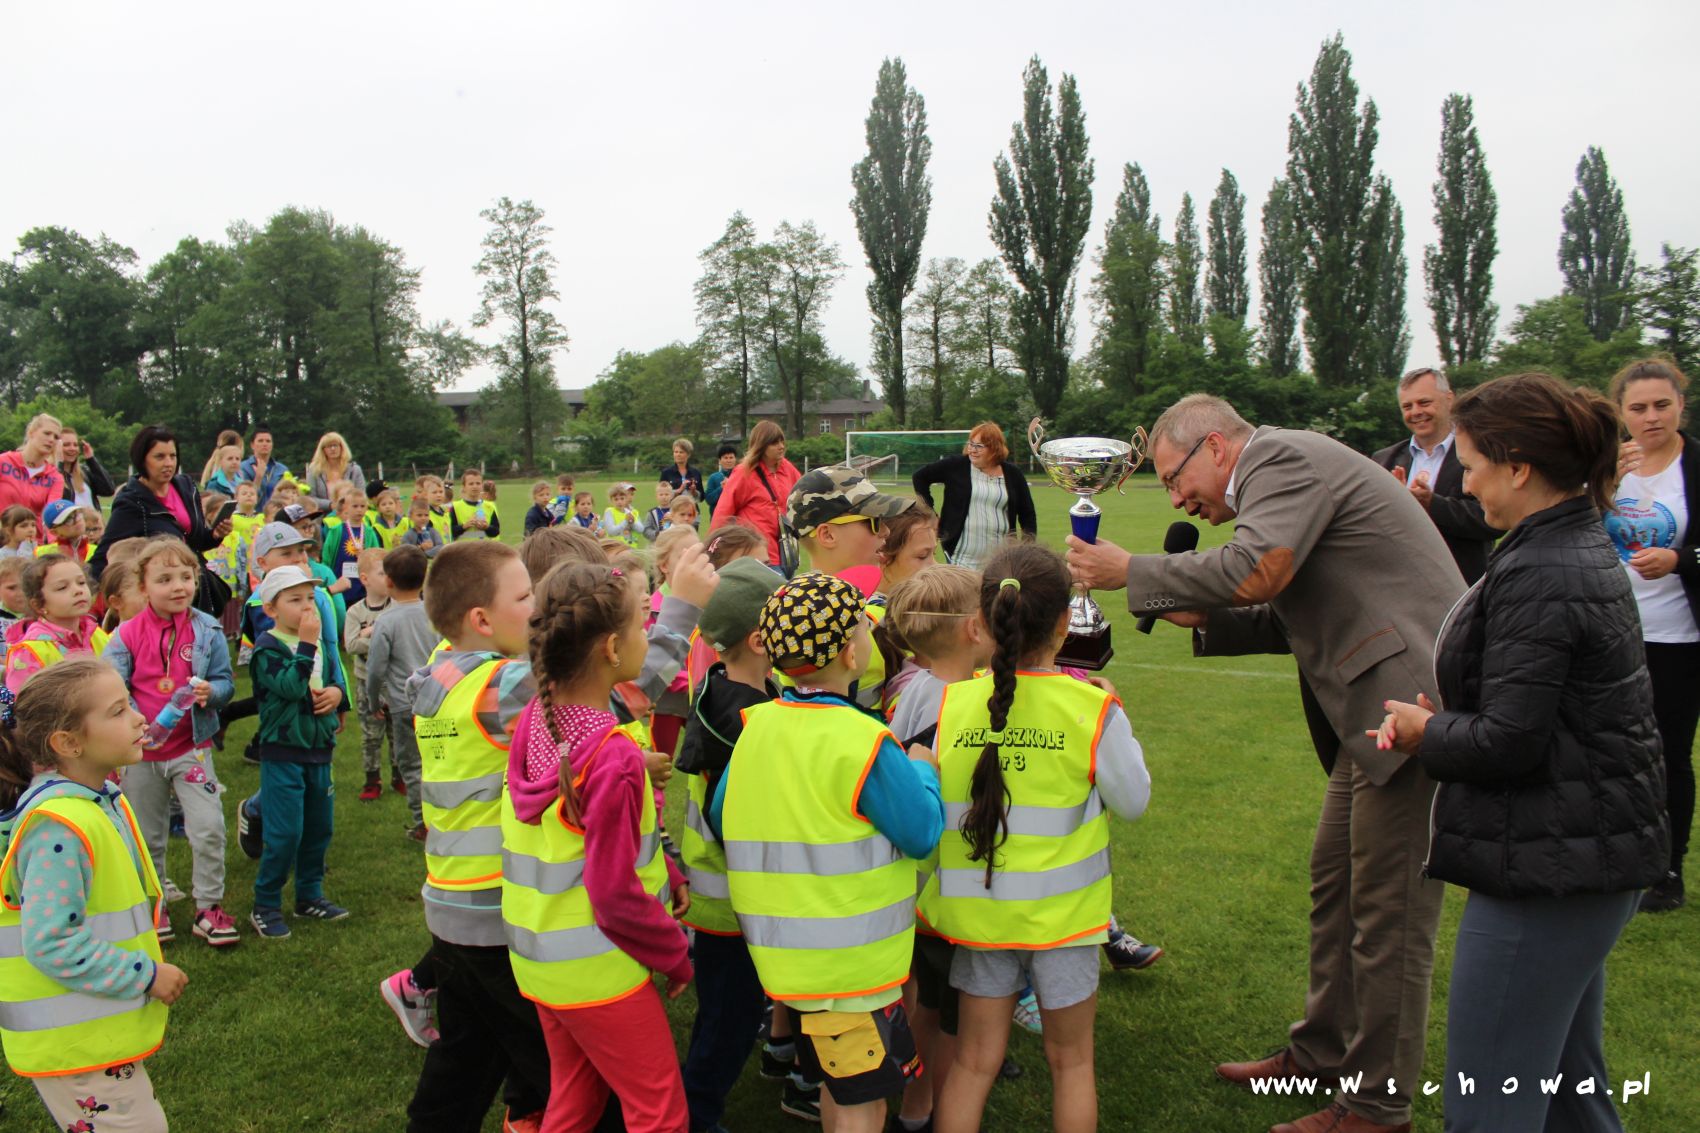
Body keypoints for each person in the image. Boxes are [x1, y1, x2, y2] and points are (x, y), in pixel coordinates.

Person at [1065, 393, 1460, 1133]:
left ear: (1216, 447)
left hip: (1407, 713)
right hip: (1372, 715)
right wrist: (1192, 609)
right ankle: (1322, 1054)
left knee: (1390, 917)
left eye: (1175, 478)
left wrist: (1134, 570)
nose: (1175, 498)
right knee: (1338, 886)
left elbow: (1261, 570)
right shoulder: (1284, 469)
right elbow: (1283, 609)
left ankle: (1376, 1109)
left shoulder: (1279, 458)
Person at [1373, 372, 1668, 1133]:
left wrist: (1427, 731)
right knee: (1571, 1097)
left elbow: (1510, 741)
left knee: (1489, 1105)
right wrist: (1457, 709)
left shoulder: (1545, 567)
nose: (1465, 484)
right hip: (1580, 854)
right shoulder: (1565, 544)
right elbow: (1545, 706)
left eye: (1472, 466)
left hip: (1550, 867)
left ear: (1519, 468)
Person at [922, 545, 1150, 1133]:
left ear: (983, 622)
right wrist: (1113, 716)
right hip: (1063, 922)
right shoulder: (1091, 709)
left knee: (973, 1063)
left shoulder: (953, 704)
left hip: (982, 918)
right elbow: (1134, 801)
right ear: (1065, 623)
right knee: (1072, 1064)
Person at [715, 571, 944, 1133]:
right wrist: (923, 769)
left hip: (787, 958)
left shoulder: (756, 727)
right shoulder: (863, 740)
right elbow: (921, 831)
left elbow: (723, 816)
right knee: (864, 1105)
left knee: (839, 1088)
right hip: (851, 966)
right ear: (850, 654)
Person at [502, 560, 695, 1133]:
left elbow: (585, 840)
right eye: (642, 627)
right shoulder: (612, 756)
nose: (647, 637)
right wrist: (674, 953)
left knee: (576, 1098)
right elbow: (612, 894)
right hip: (597, 968)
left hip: (540, 958)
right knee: (660, 1113)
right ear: (612, 648)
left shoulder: (537, 718)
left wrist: (668, 874)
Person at [397, 540, 550, 1133]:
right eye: (526, 596)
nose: (537, 607)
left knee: (464, 1058)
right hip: (497, 909)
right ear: (482, 620)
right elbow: (598, 696)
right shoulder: (501, 686)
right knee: (558, 1063)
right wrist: (679, 613)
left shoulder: (442, 670)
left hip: (450, 903)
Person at [0, 659, 187, 1130]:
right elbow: (50, 942)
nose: (140, 718)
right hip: (72, 1045)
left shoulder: (96, 800)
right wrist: (145, 975)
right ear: (68, 743)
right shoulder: (59, 827)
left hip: (89, 1036)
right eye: (118, 711)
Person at [674, 556, 785, 1133]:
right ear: (762, 641)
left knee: (728, 1012)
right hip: (730, 903)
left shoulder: (733, 687)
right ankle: (696, 1113)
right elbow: (732, 815)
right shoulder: (743, 715)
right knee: (729, 1022)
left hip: (732, 898)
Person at [881, 563, 991, 1131]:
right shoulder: (966, 702)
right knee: (953, 1018)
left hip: (916, 883)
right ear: (975, 628)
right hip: (951, 887)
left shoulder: (913, 690)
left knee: (924, 1002)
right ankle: (940, 1110)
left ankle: (914, 1106)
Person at [104, 539, 238, 947]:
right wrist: (135, 721)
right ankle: (155, 902)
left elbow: (225, 682)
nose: (178, 586)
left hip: (191, 750)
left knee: (209, 827)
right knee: (147, 835)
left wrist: (212, 693)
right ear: (143, 587)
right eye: (164, 579)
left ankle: (208, 907)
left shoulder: (208, 629)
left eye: (186, 577)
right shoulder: (125, 635)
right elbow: (113, 688)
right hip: (140, 754)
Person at [1606, 357, 1699, 913]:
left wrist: (1680, 559)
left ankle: (1668, 869)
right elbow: (1573, 525)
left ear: (1681, 405)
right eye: (1638, 407)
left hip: (1679, 639)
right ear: (1622, 413)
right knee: (1612, 751)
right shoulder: (1612, 467)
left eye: (1662, 404)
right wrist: (1601, 483)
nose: (1651, 417)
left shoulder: (1694, 465)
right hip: (1613, 632)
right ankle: (1618, 856)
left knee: (1668, 753)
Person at [247, 564, 350, 939]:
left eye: (310, 598)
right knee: (285, 834)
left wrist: (337, 694)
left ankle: (309, 895)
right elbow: (291, 687)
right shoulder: (268, 648)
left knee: (319, 829)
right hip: (283, 752)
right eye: (295, 600)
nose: (307, 607)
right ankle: (265, 904)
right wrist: (306, 644)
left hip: (319, 748)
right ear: (271, 609)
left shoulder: (319, 643)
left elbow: (334, 678)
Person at [785, 466, 916, 711]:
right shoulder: (817, 624)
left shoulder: (791, 613)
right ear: (827, 535)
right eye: (874, 522)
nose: (886, 531)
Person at [1369, 367, 1502, 584]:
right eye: (1407, 406)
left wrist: (1432, 505)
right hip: (1401, 586)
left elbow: (1492, 522)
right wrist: (1392, 505)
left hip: (1460, 586)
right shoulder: (1384, 459)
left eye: (1424, 402)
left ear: (1449, 400)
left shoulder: (1480, 452)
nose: (1416, 412)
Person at [91, 425, 232, 579]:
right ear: (142, 459)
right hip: (159, 585)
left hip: (194, 581)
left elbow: (197, 542)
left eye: (173, 456)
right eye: (160, 457)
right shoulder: (131, 503)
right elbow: (103, 557)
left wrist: (215, 535)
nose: (168, 463)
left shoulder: (186, 487)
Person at [366, 545, 433, 839]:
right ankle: (443, 816)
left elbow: (375, 669)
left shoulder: (386, 620)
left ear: (389, 582)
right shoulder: (434, 613)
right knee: (437, 761)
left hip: (404, 704)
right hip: (437, 700)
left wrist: (373, 700)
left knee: (412, 765)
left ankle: (423, 824)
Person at [911, 422, 1038, 570]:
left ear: (994, 448)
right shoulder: (956, 466)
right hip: (961, 556)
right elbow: (919, 477)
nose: (972, 450)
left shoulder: (1013, 474)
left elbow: (1027, 514)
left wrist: (1027, 547)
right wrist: (930, 514)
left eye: (979, 446)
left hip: (1001, 558)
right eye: (971, 444)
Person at [5, 555, 108, 694]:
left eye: (81, 582)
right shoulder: (28, 652)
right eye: (62, 587)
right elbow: (24, 703)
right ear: (38, 605)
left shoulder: (97, 634)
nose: (78, 590)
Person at [710, 421, 802, 573]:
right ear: (761, 446)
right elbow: (723, 512)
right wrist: (712, 551)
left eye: (782, 441)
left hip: (786, 551)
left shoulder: (787, 469)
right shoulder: (744, 472)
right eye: (775, 443)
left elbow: (804, 494)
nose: (781, 446)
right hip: (758, 553)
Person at [344, 547, 398, 803]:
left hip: (394, 682)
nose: (389, 578)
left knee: (398, 732)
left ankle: (400, 775)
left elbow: (398, 641)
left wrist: (372, 633)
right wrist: (379, 636)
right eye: (382, 573)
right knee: (370, 735)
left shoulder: (396, 607)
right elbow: (351, 645)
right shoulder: (355, 612)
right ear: (364, 578)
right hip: (366, 682)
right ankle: (372, 779)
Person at [0, 413, 66, 527]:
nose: (51, 439)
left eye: (56, 437)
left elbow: (51, 517)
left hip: (34, 536)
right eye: (47, 433)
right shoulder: (3, 462)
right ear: (31, 432)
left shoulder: (55, 478)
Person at [55, 425, 116, 512]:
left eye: (75, 445)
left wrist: (91, 460)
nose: (72, 448)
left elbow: (108, 490)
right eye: (66, 445)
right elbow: (58, 497)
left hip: (94, 520)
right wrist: (59, 463)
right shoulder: (50, 474)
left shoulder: (85, 472)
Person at [304, 431, 366, 507]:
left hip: (350, 512)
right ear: (323, 450)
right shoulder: (314, 470)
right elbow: (310, 498)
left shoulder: (355, 470)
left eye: (335, 445)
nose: (333, 449)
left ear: (342, 447)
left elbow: (361, 495)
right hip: (323, 512)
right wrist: (330, 505)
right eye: (329, 446)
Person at [239, 425, 290, 508]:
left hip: (276, 512)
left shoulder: (282, 469)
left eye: (268, 441)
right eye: (260, 441)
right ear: (252, 445)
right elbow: (244, 498)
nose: (264, 444)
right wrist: (258, 477)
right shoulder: (243, 467)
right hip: (252, 513)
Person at [449, 468, 500, 541]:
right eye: (471, 484)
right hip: (463, 547)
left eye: (478, 483)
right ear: (464, 487)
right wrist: (464, 526)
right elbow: (449, 531)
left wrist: (486, 527)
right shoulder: (455, 507)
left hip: (484, 547)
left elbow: (496, 531)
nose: (475, 486)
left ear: (482, 486)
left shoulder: (489, 506)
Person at [603, 483, 643, 550]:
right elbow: (611, 531)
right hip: (615, 548)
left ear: (626, 499)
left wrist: (632, 522)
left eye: (622, 499)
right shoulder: (609, 512)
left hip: (630, 548)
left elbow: (641, 529)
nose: (619, 502)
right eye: (616, 499)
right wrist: (626, 521)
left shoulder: (631, 512)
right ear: (611, 500)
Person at [704, 443, 738, 513]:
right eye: (725, 458)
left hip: (736, 517)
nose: (729, 460)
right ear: (719, 461)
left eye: (731, 457)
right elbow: (709, 500)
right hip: (718, 516)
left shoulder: (740, 476)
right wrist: (722, 488)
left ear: (735, 459)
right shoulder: (713, 477)